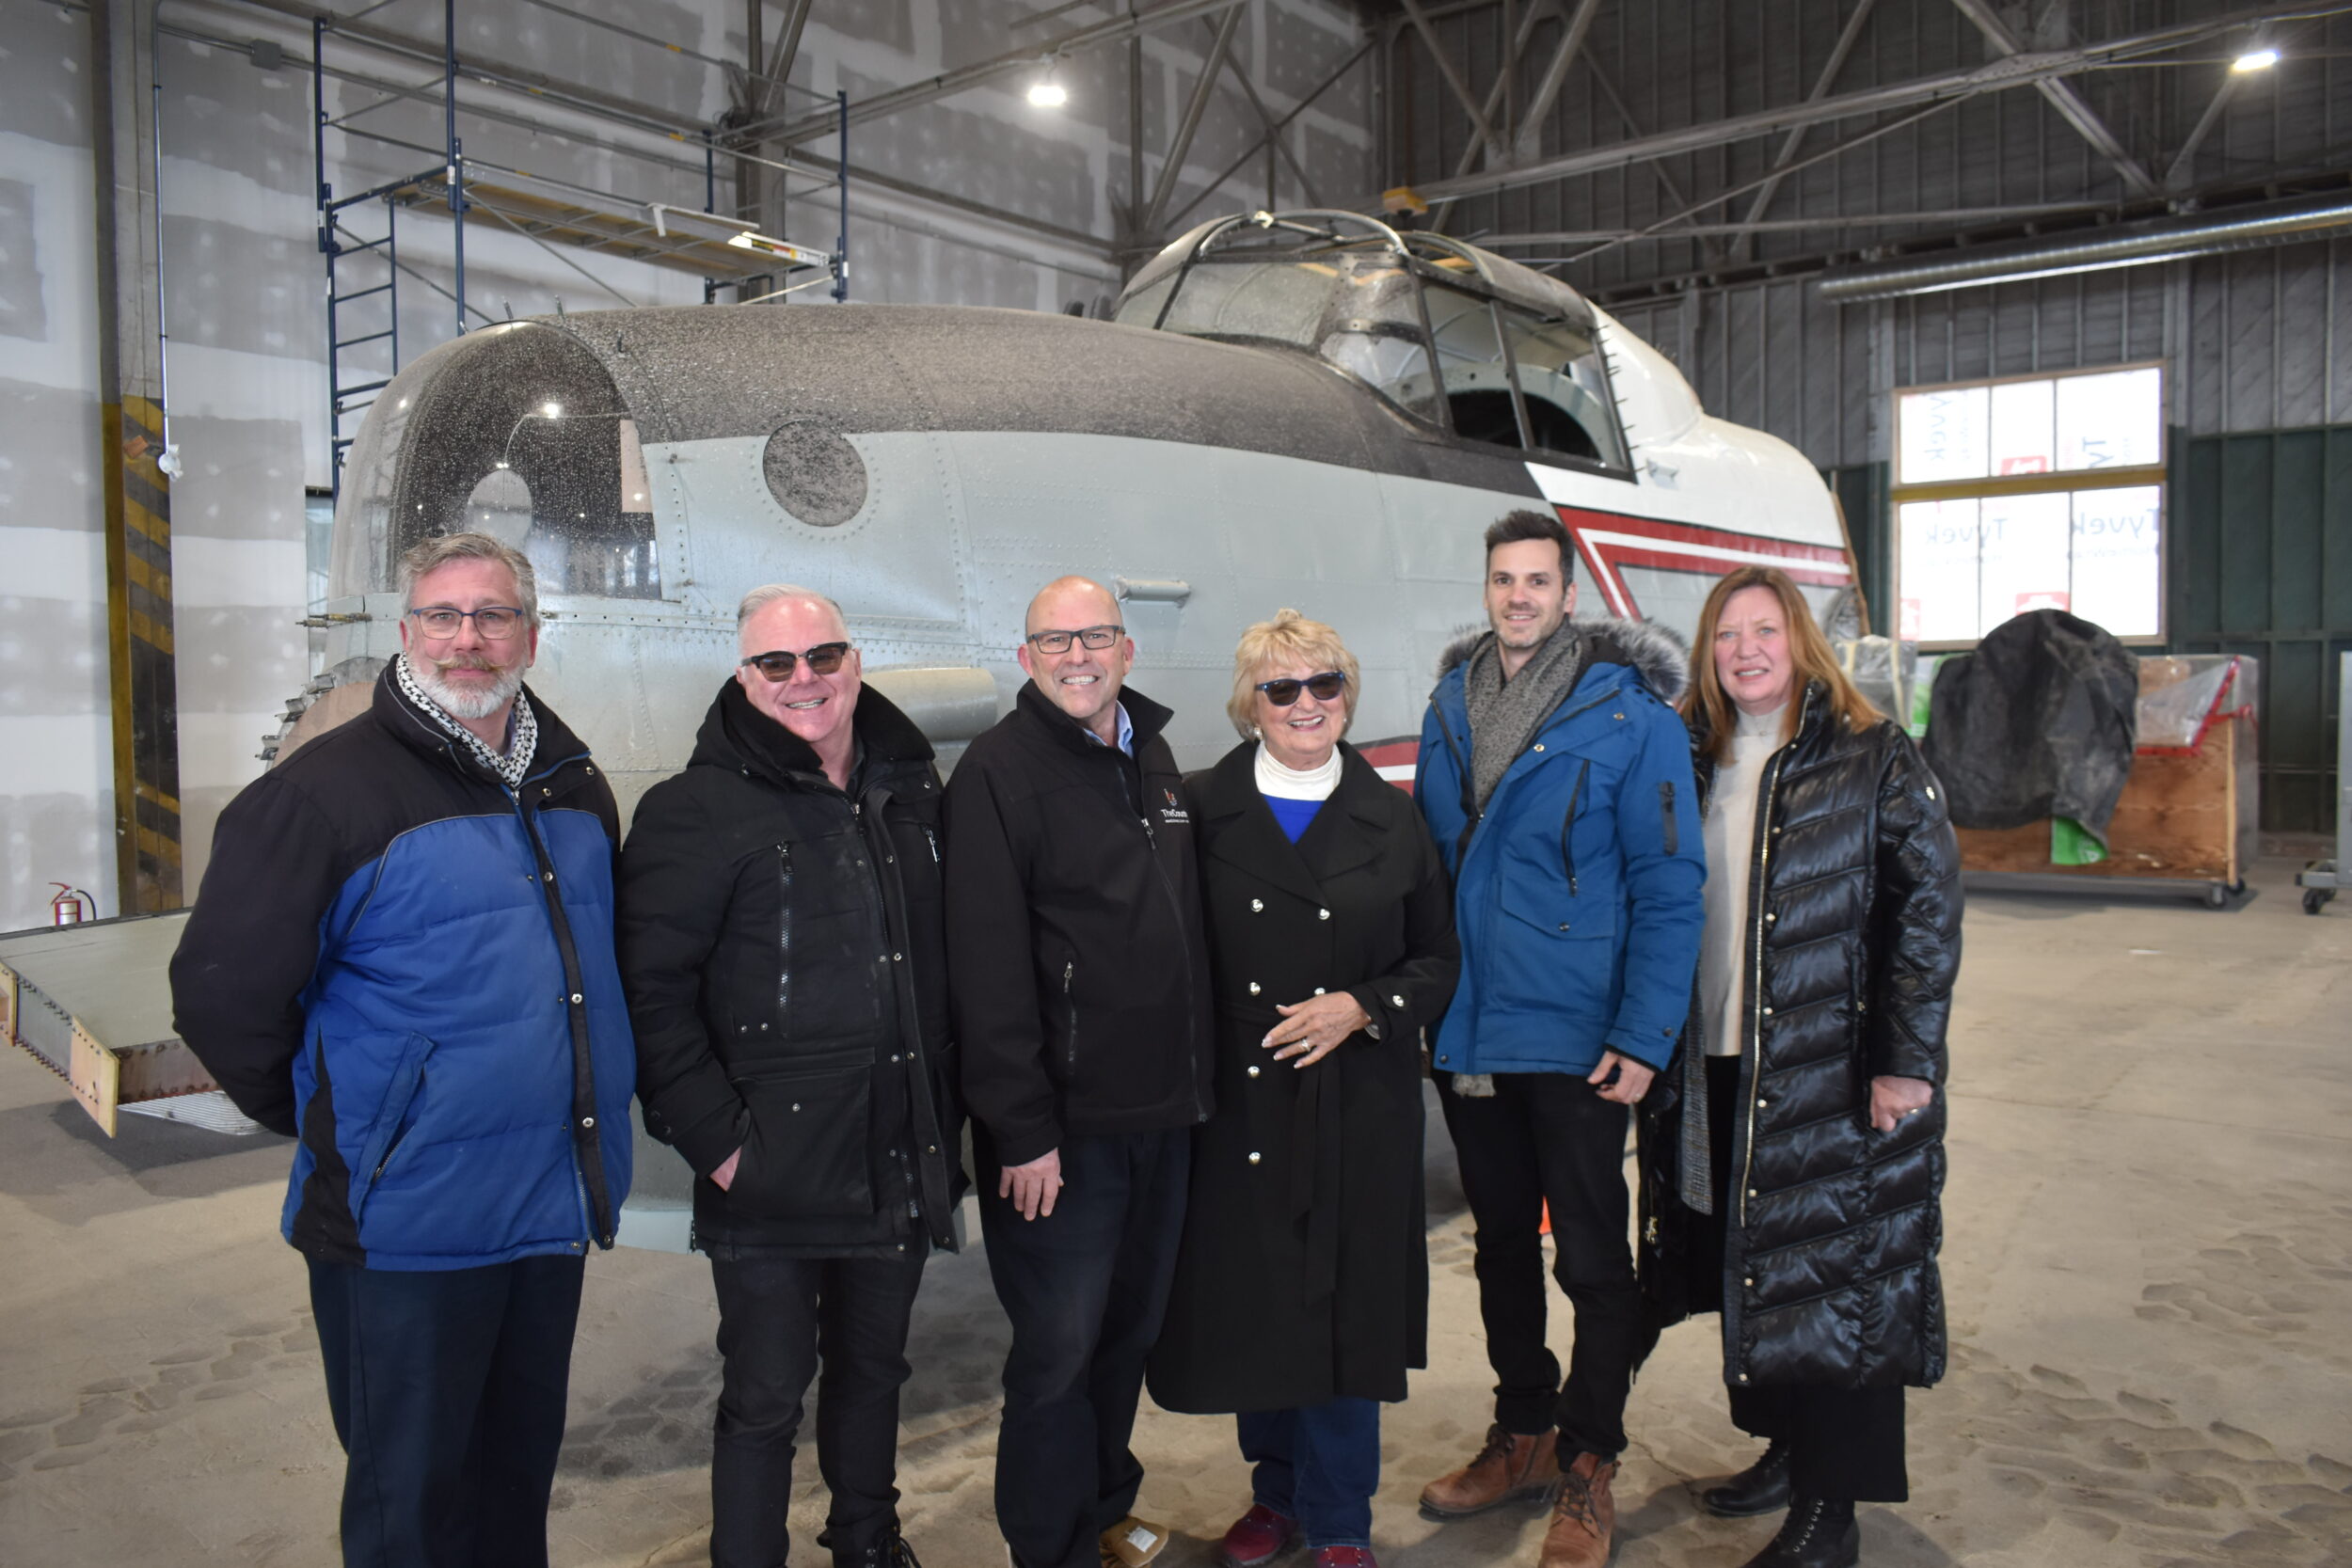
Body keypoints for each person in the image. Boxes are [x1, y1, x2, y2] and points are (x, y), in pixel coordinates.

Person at [168, 531, 636, 1568]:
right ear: (406, 629)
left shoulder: (569, 780)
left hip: (544, 1205)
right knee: (410, 1509)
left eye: (493, 615)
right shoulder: (325, 795)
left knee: (513, 1491)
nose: (468, 639)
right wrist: (352, 1117)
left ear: (530, 630)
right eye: (444, 615)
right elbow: (220, 993)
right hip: (406, 1224)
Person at [616, 585, 964, 1568]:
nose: (803, 679)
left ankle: (868, 1539)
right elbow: (652, 996)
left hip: (895, 1143)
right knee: (765, 1394)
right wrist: (721, 1146)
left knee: (875, 1369)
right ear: (744, 676)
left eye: (824, 656)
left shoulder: (910, 791)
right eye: (778, 663)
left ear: (854, 664)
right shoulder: (692, 809)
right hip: (768, 1166)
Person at [1638, 567, 1961, 1568]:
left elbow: (1927, 912)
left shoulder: (1871, 755)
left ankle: (1834, 1506)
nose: (1743, 650)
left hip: (1832, 1068)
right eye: (1725, 633)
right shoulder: (1690, 759)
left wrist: (1904, 1060)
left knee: (1843, 1280)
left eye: (1762, 630)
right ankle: (1784, 1446)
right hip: (1718, 1060)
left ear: (1800, 642)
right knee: (1756, 1269)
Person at [1412, 510, 1705, 1568]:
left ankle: (1590, 1456)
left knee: (1589, 1252)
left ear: (1571, 593)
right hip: (1472, 1031)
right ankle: (1523, 1430)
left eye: (1539, 579)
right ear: (1486, 587)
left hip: (1581, 1035)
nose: (1520, 595)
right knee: (1498, 1247)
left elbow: (1671, 887)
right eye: (1504, 578)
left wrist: (1644, 1031)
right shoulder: (1452, 703)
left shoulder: (1634, 720)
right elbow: (1429, 868)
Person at [1147, 610, 1461, 1568]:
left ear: (1346, 695)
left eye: (1323, 683)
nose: (1304, 703)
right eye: (1281, 688)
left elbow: (1437, 958)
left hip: (1356, 1101)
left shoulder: (1391, 813)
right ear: (1250, 704)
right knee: (1259, 1305)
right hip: (1241, 1101)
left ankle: (1337, 1519)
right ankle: (1272, 1494)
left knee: (1343, 1314)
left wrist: (1361, 1005)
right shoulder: (1199, 808)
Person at [943, 576, 1215, 1568]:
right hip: (1063, 1134)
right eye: (1052, 639)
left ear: (1125, 648)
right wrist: (1020, 1129)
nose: (1075, 655)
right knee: (1055, 1354)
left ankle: (1104, 1510)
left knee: (1123, 1336)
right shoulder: (997, 773)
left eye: (1093, 635)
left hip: (1161, 1114)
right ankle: (1048, 1547)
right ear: (1026, 658)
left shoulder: (1154, 757)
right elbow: (984, 968)